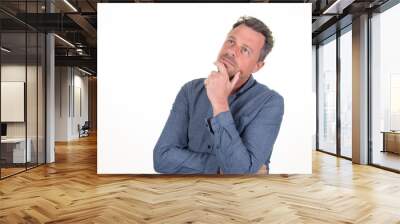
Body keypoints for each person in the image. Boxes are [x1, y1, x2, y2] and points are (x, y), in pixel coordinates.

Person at [153, 16, 284, 174]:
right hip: (188, 193)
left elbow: (240, 174)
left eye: (245, 50)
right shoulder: (190, 91)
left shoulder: (270, 102)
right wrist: (221, 168)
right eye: (231, 41)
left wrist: (220, 103)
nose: (231, 51)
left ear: (257, 66)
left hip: (236, 197)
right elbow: (162, 158)